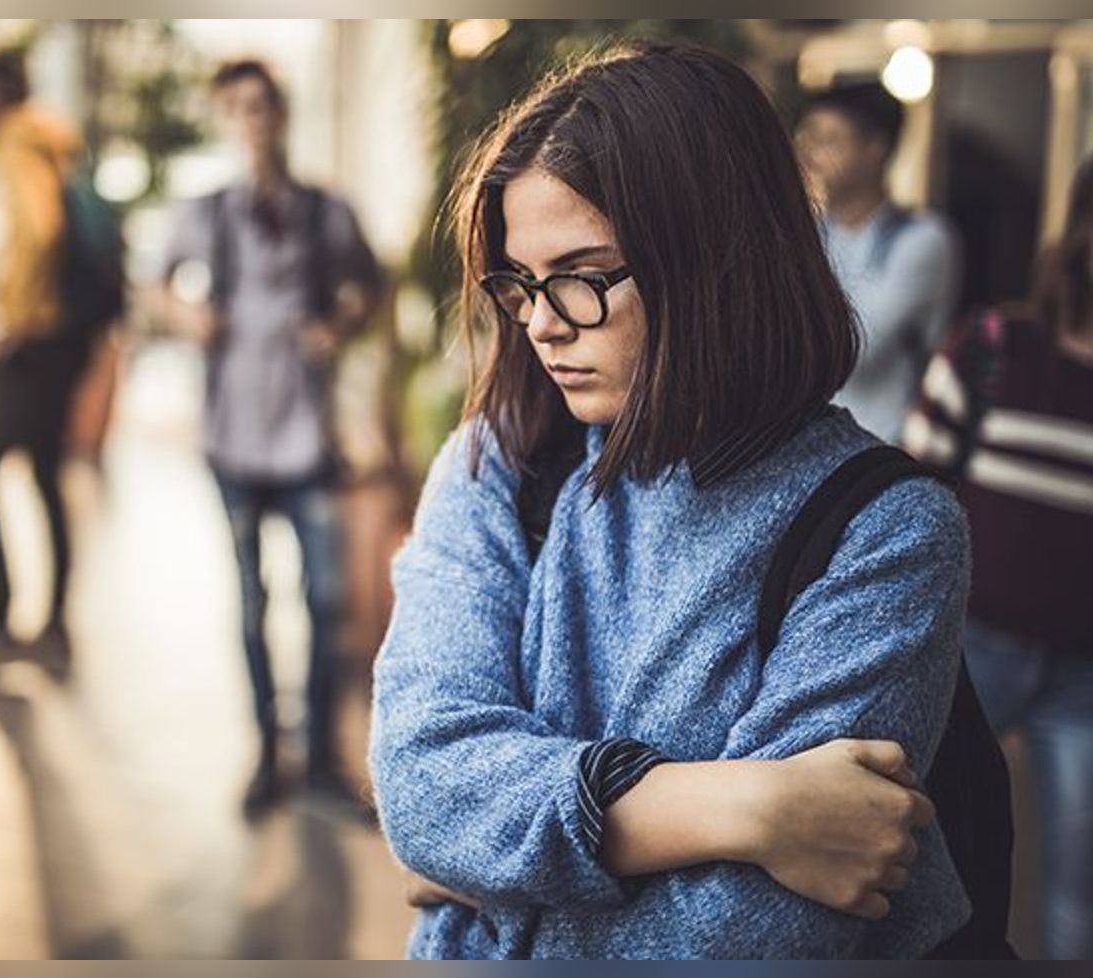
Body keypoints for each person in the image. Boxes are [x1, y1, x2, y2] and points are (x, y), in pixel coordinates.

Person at [369, 43, 972, 959]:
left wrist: (484, 873)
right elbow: (421, 784)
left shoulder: (883, 531)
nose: (539, 322)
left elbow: (751, 936)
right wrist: (743, 807)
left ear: (715, 259)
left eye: (580, 275)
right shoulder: (505, 458)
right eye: (519, 283)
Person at [152, 60, 383, 816]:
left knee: (325, 599)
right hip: (233, 437)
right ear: (227, 120)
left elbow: (370, 287)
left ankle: (319, 754)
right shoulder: (206, 212)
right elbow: (154, 286)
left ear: (282, 115)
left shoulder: (325, 211)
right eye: (239, 109)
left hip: (306, 436)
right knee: (250, 601)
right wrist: (189, 318)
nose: (254, 121)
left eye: (264, 107)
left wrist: (337, 324)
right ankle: (264, 751)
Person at [904, 157, 1093, 960]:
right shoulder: (992, 347)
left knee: (1076, 897)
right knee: (914, 861)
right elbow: (909, 495)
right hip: (969, 648)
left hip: (1085, 675)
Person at [0, 52, 93, 689]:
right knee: (41, 476)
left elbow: (39, 230)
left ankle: (4, 628)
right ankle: (53, 629)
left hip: (34, 342)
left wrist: (12, 318)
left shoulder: (16, 141)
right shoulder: (56, 140)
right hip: (65, 343)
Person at [795, 81, 961, 444]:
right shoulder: (810, 235)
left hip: (888, 447)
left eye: (830, 140)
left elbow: (855, 347)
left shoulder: (922, 240)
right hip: (814, 444)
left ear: (876, 149)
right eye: (808, 138)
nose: (810, 154)